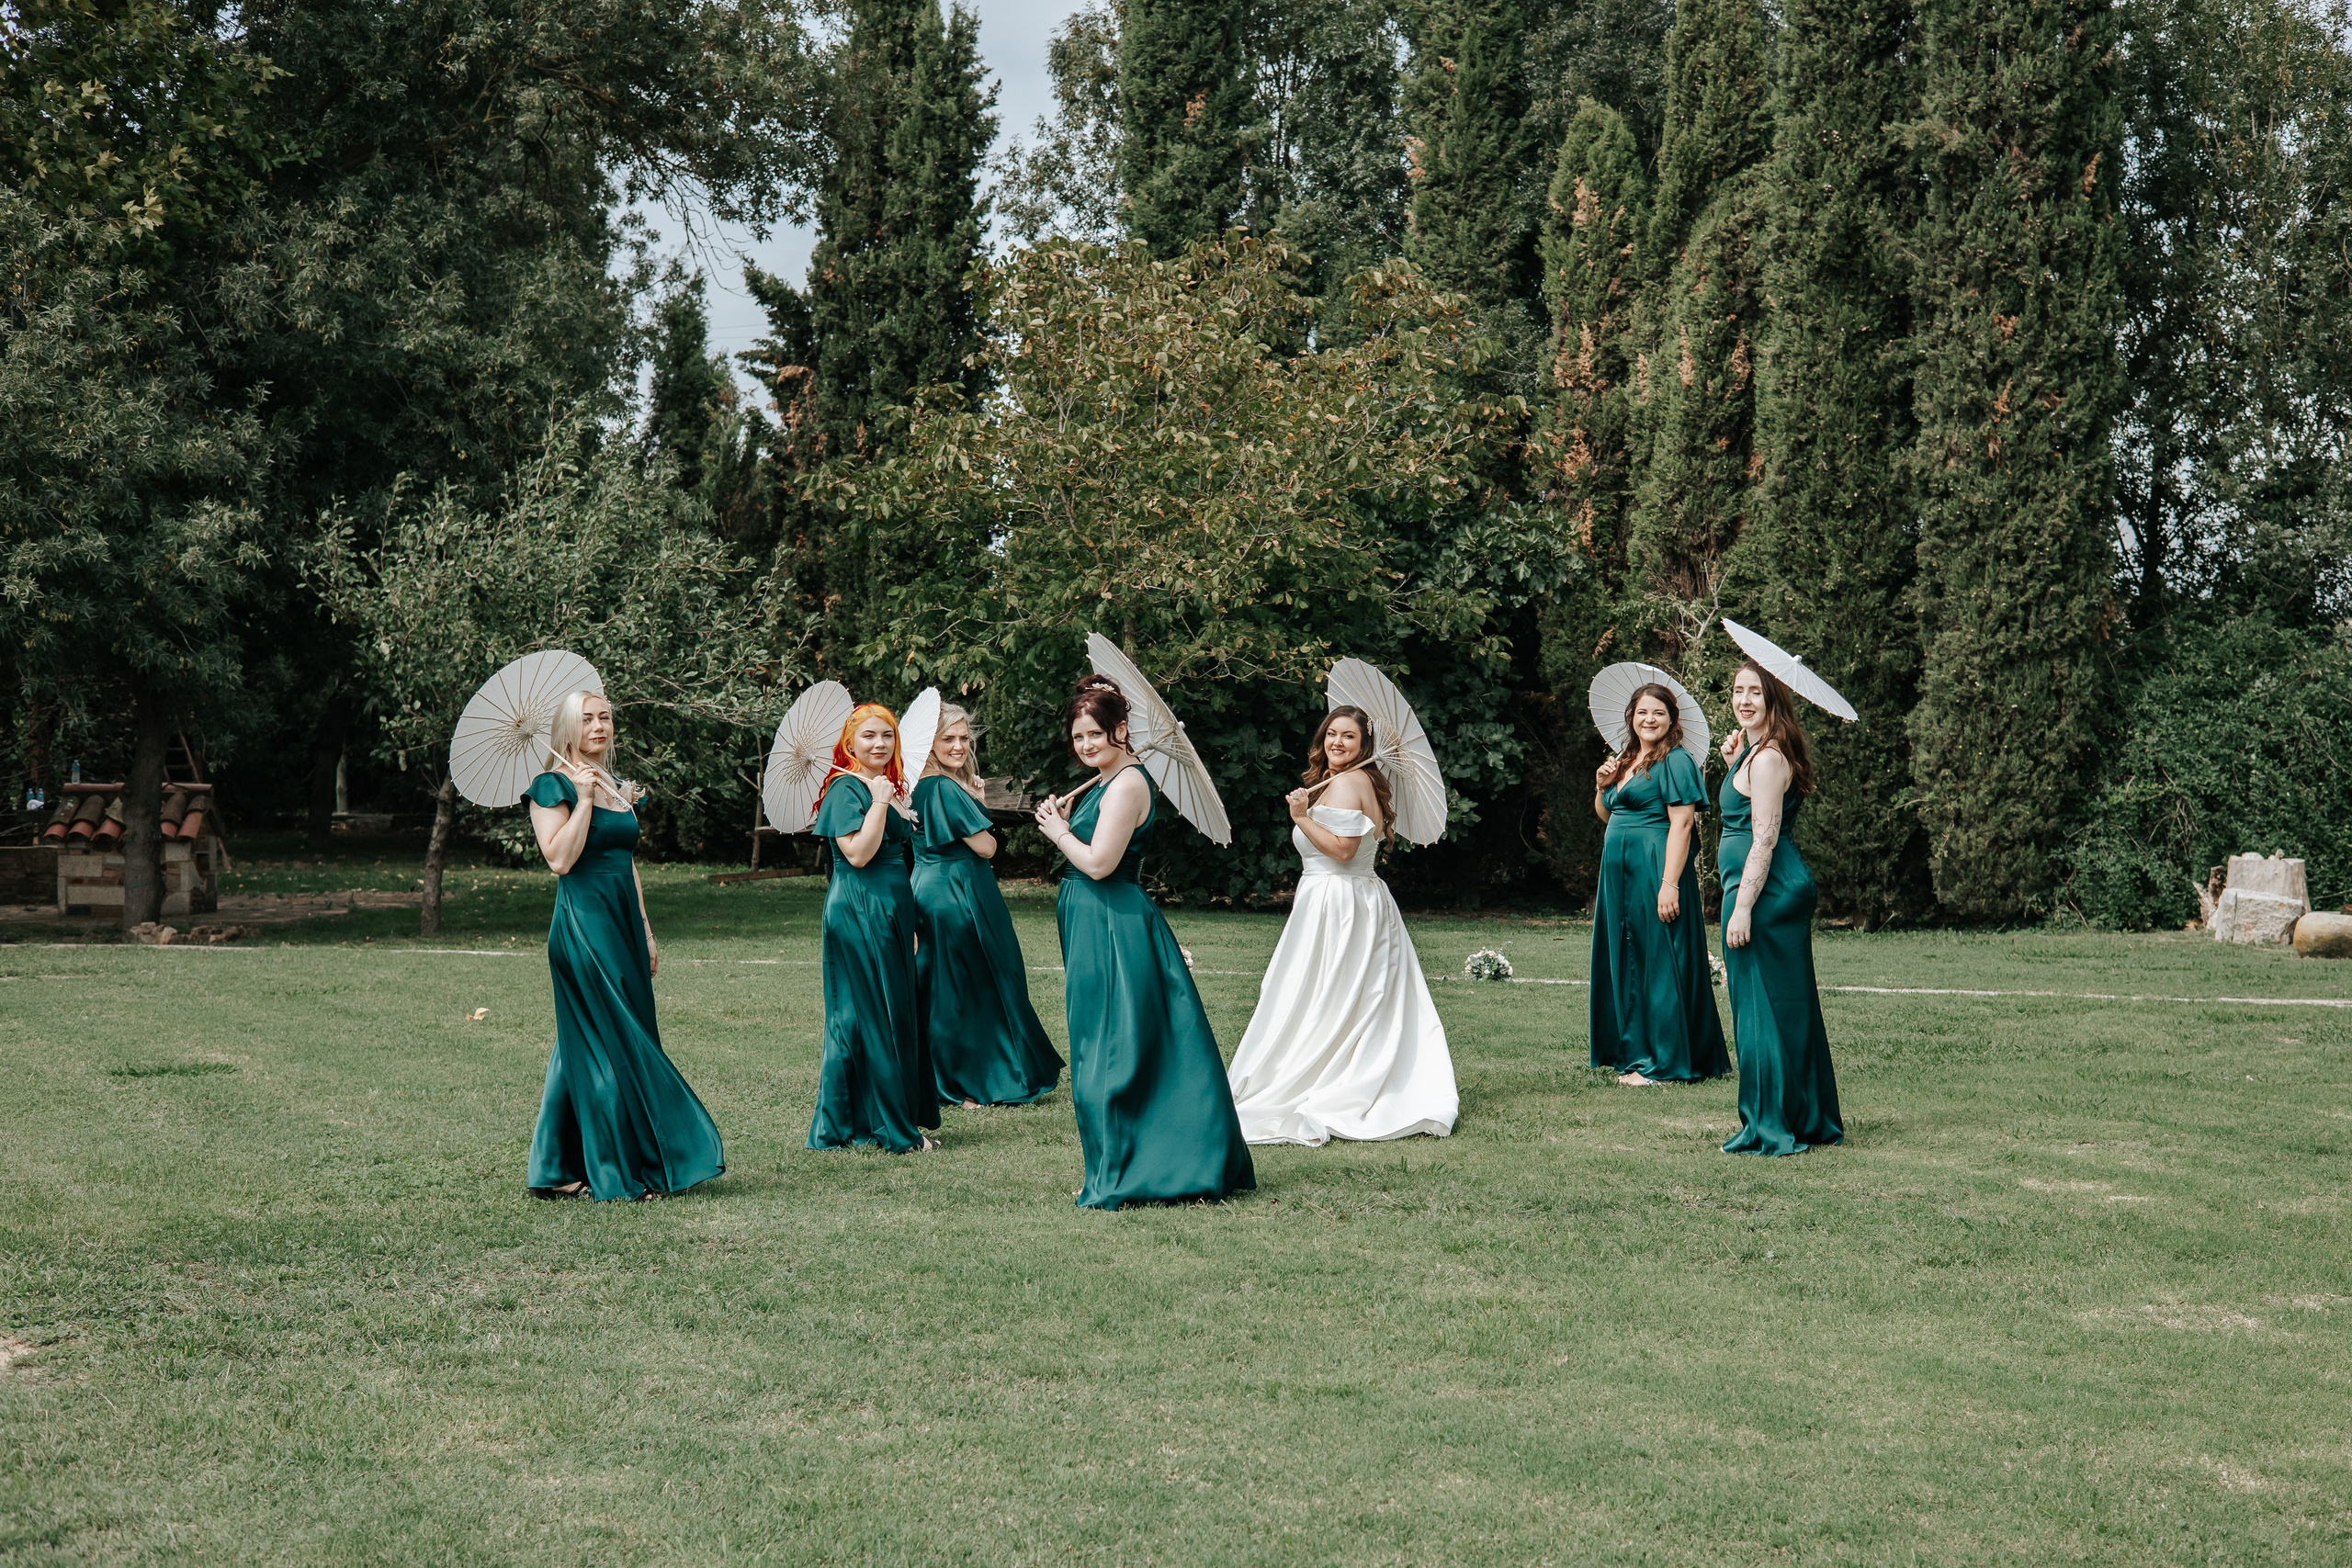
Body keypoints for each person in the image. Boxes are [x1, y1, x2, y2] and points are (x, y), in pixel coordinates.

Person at [1034, 675, 1254, 1209]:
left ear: (1122, 730)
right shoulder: (1108, 780)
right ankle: (1115, 1164)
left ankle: (1126, 1171)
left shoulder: (1129, 783)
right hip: (1094, 920)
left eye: (1095, 733)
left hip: (1112, 921)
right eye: (1079, 735)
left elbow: (1100, 863)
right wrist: (1069, 820)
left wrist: (1055, 831)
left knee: (1110, 1047)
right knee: (1103, 1042)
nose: (1086, 744)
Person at [523, 690, 724, 1201]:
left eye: (605, 718)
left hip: (623, 924)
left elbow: (627, 862)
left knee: (584, 1041)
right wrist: (584, 799)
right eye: (586, 719)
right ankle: (615, 1172)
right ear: (568, 729)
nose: (598, 726)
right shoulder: (552, 786)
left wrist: (647, 928)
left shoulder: (613, 782)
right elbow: (559, 860)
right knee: (613, 1041)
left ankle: (553, 1167)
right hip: (584, 924)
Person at [1225, 705, 1457, 1145]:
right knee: (1324, 994)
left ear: (1364, 745)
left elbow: (1344, 851)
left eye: (1348, 737)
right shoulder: (1338, 782)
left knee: (1333, 993)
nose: (1336, 743)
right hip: (1334, 902)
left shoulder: (1351, 782)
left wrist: (1301, 817)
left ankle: (1328, 1079)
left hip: (1342, 905)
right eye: (1331, 734)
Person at [1717, 662, 1843, 1156]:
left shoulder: (1768, 760)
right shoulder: (1757, 752)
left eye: (1755, 691)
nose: (1744, 699)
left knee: (1762, 1010)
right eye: (1737, 690)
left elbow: (1764, 838)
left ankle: (1770, 1124)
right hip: (1766, 888)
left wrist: (1744, 906)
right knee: (1780, 1007)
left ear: (1774, 698)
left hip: (1766, 892)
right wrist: (1737, 756)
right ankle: (1804, 1116)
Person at [910, 705, 1063, 1107]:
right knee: (968, 983)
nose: (959, 746)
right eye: (949, 739)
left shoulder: (927, 786)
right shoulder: (941, 788)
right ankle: (962, 1083)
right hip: (955, 892)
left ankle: (959, 1078)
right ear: (930, 744)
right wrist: (979, 806)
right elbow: (986, 846)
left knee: (953, 983)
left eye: (964, 738)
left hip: (938, 886)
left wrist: (973, 797)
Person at [808, 703, 941, 1153]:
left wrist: (894, 802)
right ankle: (891, 1131)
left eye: (887, 735)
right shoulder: (845, 789)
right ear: (849, 743)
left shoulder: (889, 787)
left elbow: (902, 857)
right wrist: (882, 803)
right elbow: (859, 855)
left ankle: (851, 1122)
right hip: (859, 906)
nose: (879, 744)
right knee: (869, 1013)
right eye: (868, 736)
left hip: (892, 907)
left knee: (878, 1013)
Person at [1589, 684, 1729, 1086]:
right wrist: (1603, 786)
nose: (1649, 719)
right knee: (1627, 959)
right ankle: (1634, 1051)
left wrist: (1669, 885)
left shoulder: (1676, 760)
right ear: (1631, 716)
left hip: (1655, 870)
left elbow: (1683, 823)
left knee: (1658, 961)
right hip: (1619, 876)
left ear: (1672, 720)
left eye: (1659, 713)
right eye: (1642, 712)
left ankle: (1664, 1063)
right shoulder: (1628, 759)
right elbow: (1608, 814)